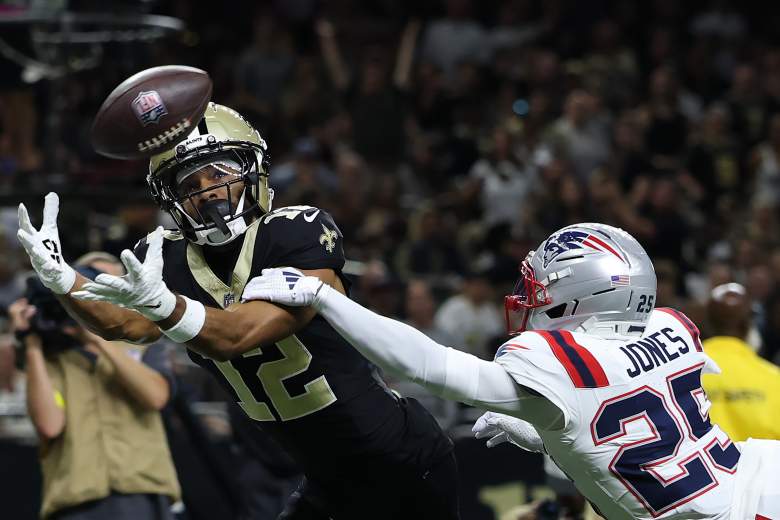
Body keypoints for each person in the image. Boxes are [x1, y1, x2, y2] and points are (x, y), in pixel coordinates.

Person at [16, 102, 459, 519]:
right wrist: (62, 282)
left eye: (217, 174)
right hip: (328, 480)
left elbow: (238, 335)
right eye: (189, 185)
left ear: (253, 172)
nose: (208, 192)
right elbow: (123, 324)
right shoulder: (168, 259)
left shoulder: (292, 233)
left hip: (399, 459)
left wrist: (167, 306)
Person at [244, 223, 780, 520]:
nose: (528, 300)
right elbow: (647, 432)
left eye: (540, 289)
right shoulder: (669, 326)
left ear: (583, 297)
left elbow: (428, 365)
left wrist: (324, 297)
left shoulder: (566, 368)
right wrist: (552, 435)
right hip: (754, 478)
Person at [9, 253, 180, 520]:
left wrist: (98, 338)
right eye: (89, 283)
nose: (98, 296)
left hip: (142, 491)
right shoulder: (52, 356)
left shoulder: (143, 342)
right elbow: (50, 425)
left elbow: (156, 397)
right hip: (75, 499)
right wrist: (31, 342)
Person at [701, 282, 780, 441]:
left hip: (695, 465)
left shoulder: (680, 372)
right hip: (759, 465)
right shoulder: (774, 378)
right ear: (748, 325)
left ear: (707, 322)